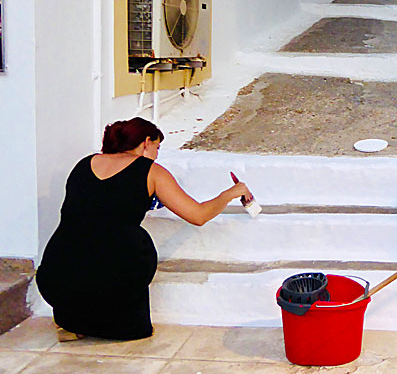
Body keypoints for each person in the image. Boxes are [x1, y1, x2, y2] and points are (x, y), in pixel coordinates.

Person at [35, 117, 252, 341]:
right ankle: (119, 322)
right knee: (129, 243)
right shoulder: (152, 171)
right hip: (114, 279)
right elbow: (198, 215)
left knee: (92, 243)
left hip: (56, 277)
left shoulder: (83, 164)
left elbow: (98, 208)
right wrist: (230, 193)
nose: (157, 154)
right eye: (157, 147)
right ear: (146, 142)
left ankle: (72, 322)